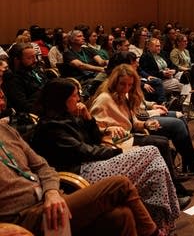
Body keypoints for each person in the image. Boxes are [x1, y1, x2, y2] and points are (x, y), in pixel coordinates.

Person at [30, 79, 184, 232]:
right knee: (151, 152)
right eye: (75, 95)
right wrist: (120, 152)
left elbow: (95, 140)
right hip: (81, 173)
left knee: (154, 168)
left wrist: (88, 118)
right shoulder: (51, 127)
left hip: (92, 163)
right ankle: (166, 216)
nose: (79, 99)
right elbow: (85, 151)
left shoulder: (69, 116)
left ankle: (161, 224)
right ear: (61, 99)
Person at [0, 122, 163, 236]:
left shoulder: (4, 130)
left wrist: (51, 191)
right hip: (22, 219)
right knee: (120, 184)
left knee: (121, 216)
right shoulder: (51, 126)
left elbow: (43, 166)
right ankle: (154, 233)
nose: (2, 98)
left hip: (50, 200)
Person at [89, 64, 194, 198]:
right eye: (122, 84)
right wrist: (108, 129)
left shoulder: (125, 96)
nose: (126, 88)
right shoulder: (104, 98)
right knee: (160, 143)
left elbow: (133, 123)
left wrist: (146, 124)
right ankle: (175, 188)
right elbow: (92, 128)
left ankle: (173, 186)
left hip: (127, 137)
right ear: (114, 82)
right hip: (114, 141)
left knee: (162, 141)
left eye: (130, 85)